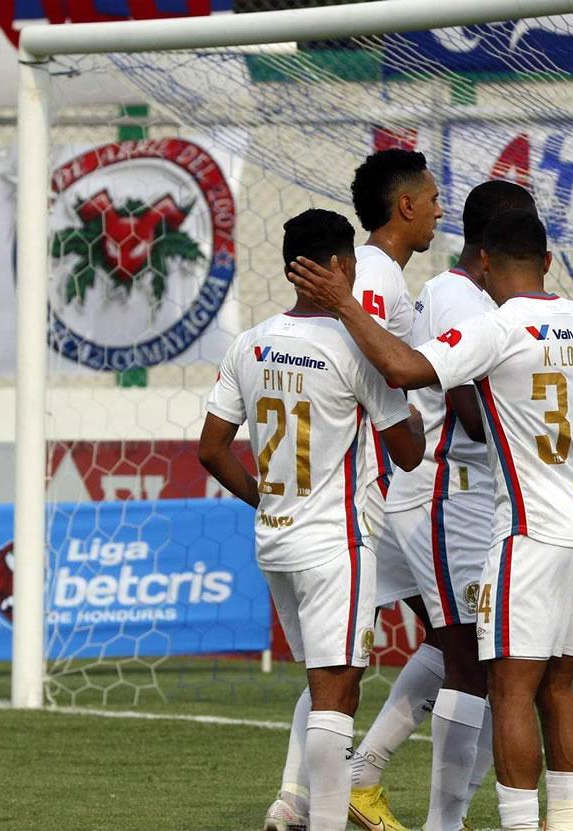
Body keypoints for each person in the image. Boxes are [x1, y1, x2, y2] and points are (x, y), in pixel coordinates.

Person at [287, 209, 573, 831]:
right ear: (548, 262)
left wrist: (346, 305)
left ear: (483, 265)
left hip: (530, 534)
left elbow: (402, 370)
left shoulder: (498, 327)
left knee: (507, 688)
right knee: (558, 689)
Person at [196, 209, 424, 831]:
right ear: (343, 267)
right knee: (337, 695)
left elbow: (211, 449)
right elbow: (408, 453)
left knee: (324, 685)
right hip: (336, 544)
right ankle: (320, 822)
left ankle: (293, 806)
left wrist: (267, 502)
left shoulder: (251, 342)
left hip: (277, 545)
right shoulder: (357, 346)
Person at [354, 180, 540, 831]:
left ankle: (361, 775)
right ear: (499, 240)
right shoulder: (463, 296)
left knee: (451, 644)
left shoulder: (467, 294)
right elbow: (465, 401)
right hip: (444, 493)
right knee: (474, 658)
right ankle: (441, 820)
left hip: (456, 496)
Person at [340, 149, 450, 829]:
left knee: (346, 659)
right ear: (403, 205)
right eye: (432, 198)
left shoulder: (360, 273)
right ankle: (361, 778)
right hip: (397, 487)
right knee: (463, 645)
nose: (440, 209)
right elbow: (395, 380)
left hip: (376, 486)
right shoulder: (381, 283)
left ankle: (307, 794)